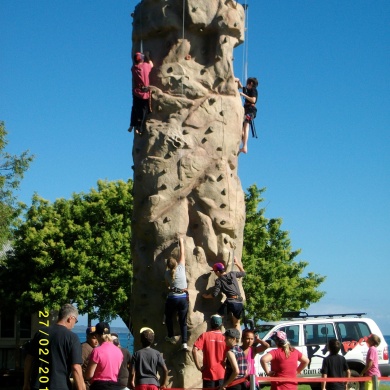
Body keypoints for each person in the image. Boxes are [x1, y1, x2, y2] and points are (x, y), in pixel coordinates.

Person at [23, 303, 85, 390]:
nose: (74, 324)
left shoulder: (40, 333)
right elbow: (76, 367)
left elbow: (28, 359)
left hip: (38, 385)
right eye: (76, 321)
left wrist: (26, 382)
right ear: (70, 318)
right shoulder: (72, 337)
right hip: (60, 385)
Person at [202, 256, 246, 330]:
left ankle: (216, 335)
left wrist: (205, 296)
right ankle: (237, 340)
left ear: (218, 271)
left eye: (215, 271)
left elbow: (214, 294)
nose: (215, 273)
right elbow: (243, 273)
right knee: (236, 323)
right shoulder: (232, 274)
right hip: (239, 302)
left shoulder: (219, 281)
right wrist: (237, 263)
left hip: (230, 302)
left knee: (217, 318)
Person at [164, 236, 188, 350]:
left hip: (172, 298)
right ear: (176, 264)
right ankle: (184, 342)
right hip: (183, 298)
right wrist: (181, 241)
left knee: (168, 317)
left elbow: (168, 286)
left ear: (168, 266)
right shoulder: (181, 268)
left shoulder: (167, 274)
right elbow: (182, 254)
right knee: (183, 322)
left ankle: (171, 336)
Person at [192, 314, 228, 388]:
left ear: (210, 323)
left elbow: (194, 350)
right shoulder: (225, 337)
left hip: (208, 373)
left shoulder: (204, 335)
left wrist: (198, 367)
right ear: (221, 324)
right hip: (221, 373)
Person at [84, 322, 123, 390]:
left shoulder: (97, 351)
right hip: (115, 386)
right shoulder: (119, 351)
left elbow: (89, 375)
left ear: (97, 335)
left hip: (99, 386)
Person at [128, 51, 153, 134]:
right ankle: (139, 127)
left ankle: (132, 124)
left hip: (136, 91)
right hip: (144, 92)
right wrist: (148, 57)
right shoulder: (146, 66)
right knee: (143, 110)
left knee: (135, 108)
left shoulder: (133, 68)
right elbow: (151, 65)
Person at [235, 77, 258, 154]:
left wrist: (244, 95)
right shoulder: (248, 90)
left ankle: (245, 146)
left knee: (246, 126)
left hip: (251, 109)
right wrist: (238, 81)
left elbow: (253, 100)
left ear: (251, 83)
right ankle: (244, 146)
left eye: (247, 84)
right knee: (241, 129)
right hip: (247, 109)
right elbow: (241, 87)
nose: (246, 85)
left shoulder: (253, 90)